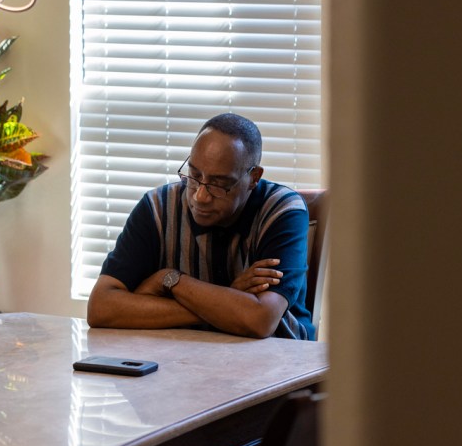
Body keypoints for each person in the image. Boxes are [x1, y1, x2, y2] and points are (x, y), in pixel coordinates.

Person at [87, 113, 315, 339]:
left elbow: (261, 320)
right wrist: (227, 301)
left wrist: (170, 280)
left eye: (219, 184)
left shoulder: (282, 211)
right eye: (194, 175)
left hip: (279, 355)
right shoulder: (157, 207)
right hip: (181, 353)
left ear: (254, 177)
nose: (200, 197)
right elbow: (101, 308)